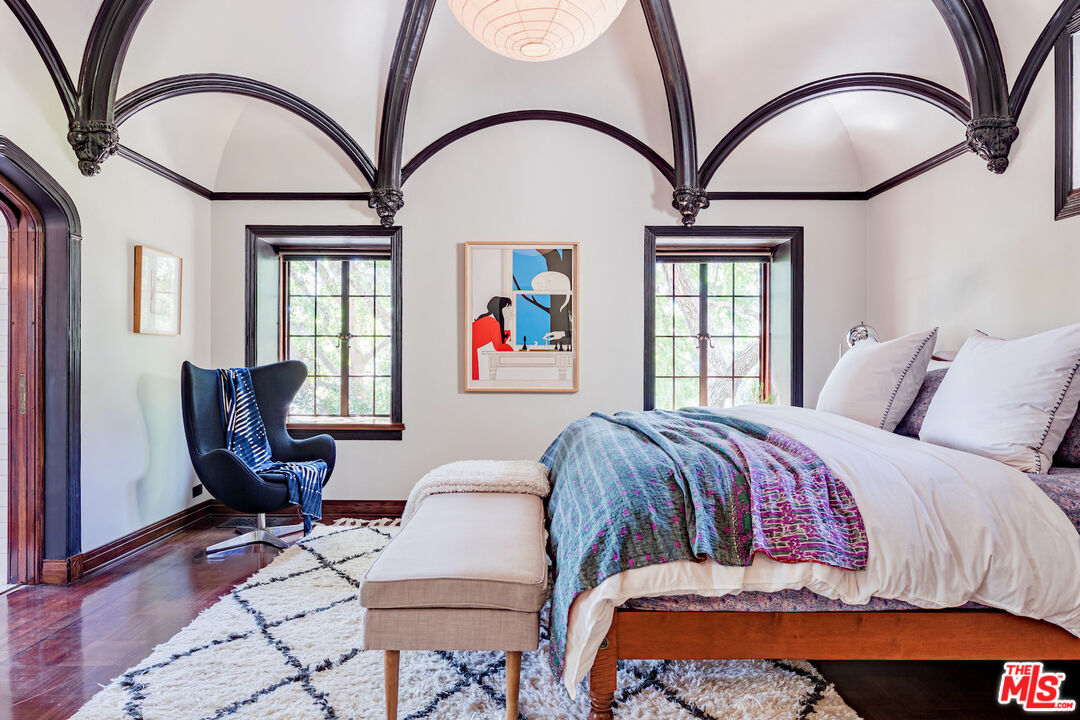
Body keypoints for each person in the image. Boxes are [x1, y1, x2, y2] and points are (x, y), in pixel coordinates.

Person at [472, 296, 514, 380]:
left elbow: (500, 341)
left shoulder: (488, 320)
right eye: (508, 308)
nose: (510, 312)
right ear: (500, 309)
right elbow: (499, 347)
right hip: (470, 354)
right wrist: (512, 349)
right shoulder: (492, 323)